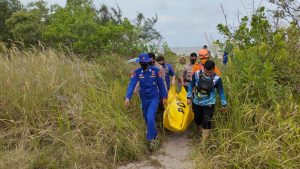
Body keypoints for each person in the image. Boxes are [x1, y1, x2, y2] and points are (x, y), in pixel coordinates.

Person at [125, 53, 167, 151]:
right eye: (142, 63)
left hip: (154, 98)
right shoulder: (137, 72)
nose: (143, 64)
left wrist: (164, 97)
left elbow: (161, 85)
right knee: (147, 119)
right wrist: (128, 97)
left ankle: (150, 140)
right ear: (139, 63)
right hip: (144, 98)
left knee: (150, 116)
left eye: (145, 62)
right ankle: (155, 135)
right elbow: (132, 84)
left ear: (148, 62)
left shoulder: (156, 71)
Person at [187, 60, 227, 142]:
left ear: (214, 70)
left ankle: (204, 143)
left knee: (207, 121)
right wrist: (188, 97)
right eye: (206, 71)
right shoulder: (197, 74)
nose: (208, 73)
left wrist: (224, 104)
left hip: (209, 103)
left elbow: (221, 92)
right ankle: (198, 130)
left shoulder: (217, 79)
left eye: (210, 72)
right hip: (197, 102)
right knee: (198, 120)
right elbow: (191, 85)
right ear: (203, 68)